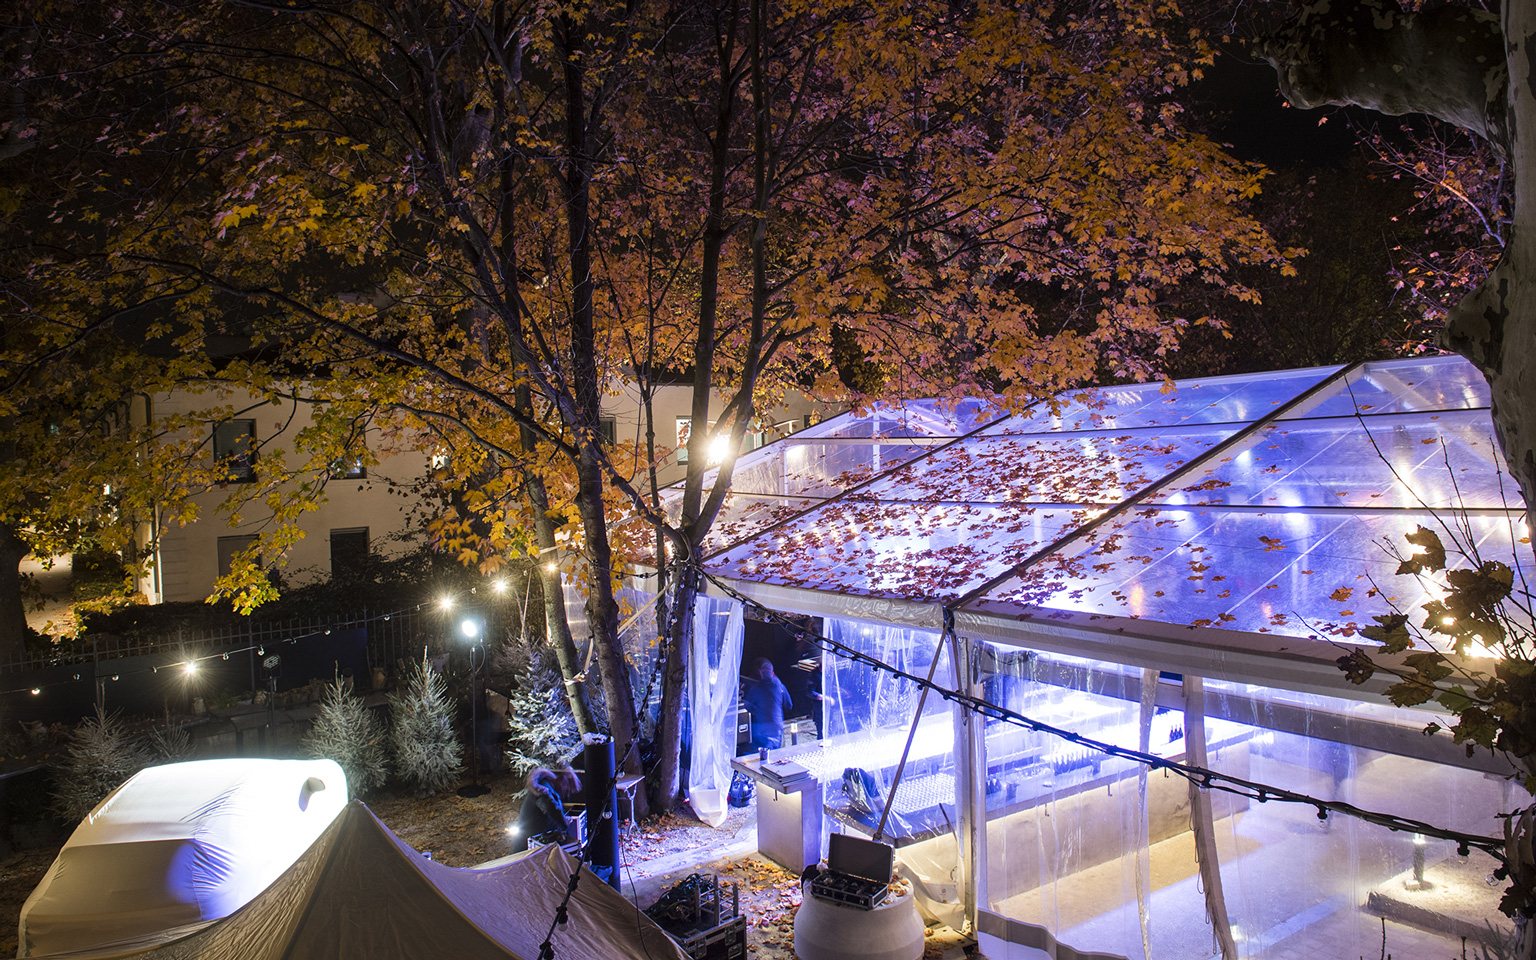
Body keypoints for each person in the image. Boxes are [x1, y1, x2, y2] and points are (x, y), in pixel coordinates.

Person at [511, 766, 579, 852]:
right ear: (562, 780)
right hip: (525, 848)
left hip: (532, 845)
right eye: (567, 790)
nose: (566, 794)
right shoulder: (543, 791)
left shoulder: (548, 788)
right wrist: (565, 824)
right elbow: (551, 808)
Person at [742, 657, 794, 753]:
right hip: (777, 725)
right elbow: (789, 705)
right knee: (775, 754)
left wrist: (757, 709)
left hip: (761, 728)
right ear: (772, 673)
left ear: (761, 673)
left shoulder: (756, 688)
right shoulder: (780, 686)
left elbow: (747, 706)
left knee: (756, 750)